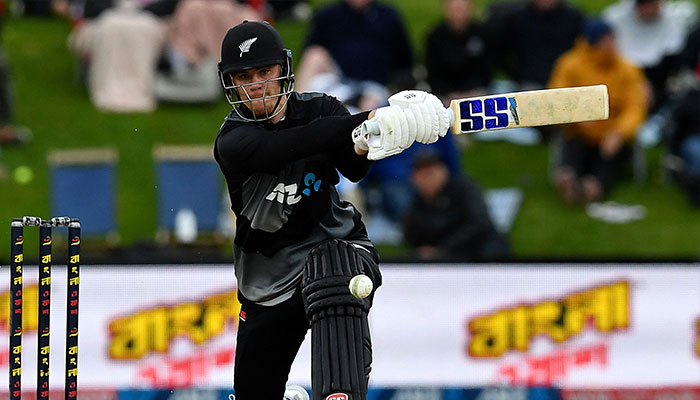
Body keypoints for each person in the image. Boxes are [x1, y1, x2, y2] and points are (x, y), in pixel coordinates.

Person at [213, 21, 449, 400]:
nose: (255, 85)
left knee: (333, 268)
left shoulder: (321, 108)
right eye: (244, 76)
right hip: (267, 281)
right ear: (230, 82)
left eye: (264, 72)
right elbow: (290, 145)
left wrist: (369, 138)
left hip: (337, 245)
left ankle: (339, 394)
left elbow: (353, 166)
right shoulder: (233, 140)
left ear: (283, 71)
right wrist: (370, 120)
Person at [549, 18, 649, 204]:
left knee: (610, 154)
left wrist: (620, 132)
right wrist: (576, 118)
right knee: (574, 144)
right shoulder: (570, 65)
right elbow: (555, 100)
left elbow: (636, 106)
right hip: (580, 130)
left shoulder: (628, 69)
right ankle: (568, 177)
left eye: (612, 39)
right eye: (605, 41)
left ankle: (594, 185)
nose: (611, 45)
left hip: (611, 131)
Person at [294, 0, 413, 111]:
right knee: (314, 55)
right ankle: (294, 111)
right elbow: (312, 51)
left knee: (368, 106)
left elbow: (405, 61)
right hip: (337, 80)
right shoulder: (328, 16)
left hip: (373, 87)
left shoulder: (388, 17)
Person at [402, 151, 511, 262]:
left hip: (479, 250)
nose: (427, 179)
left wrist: (444, 249)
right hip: (444, 259)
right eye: (422, 175)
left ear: (444, 172)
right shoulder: (416, 206)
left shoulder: (465, 190)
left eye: (431, 173)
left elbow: (479, 223)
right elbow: (413, 238)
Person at [603, 0, 698, 111]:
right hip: (623, 77)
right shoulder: (616, 19)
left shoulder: (670, 20)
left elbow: (673, 56)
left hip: (659, 79)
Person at [425, 0, 493, 102]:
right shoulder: (434, 37)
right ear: (446, 8)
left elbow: (487, 68)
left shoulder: (483, 34)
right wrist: (450, 94)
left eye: (462, 7)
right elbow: (433, 73)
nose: (459, 11)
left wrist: (471, 92)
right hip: (445, 95)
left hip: (478, 91)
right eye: (455, 7)